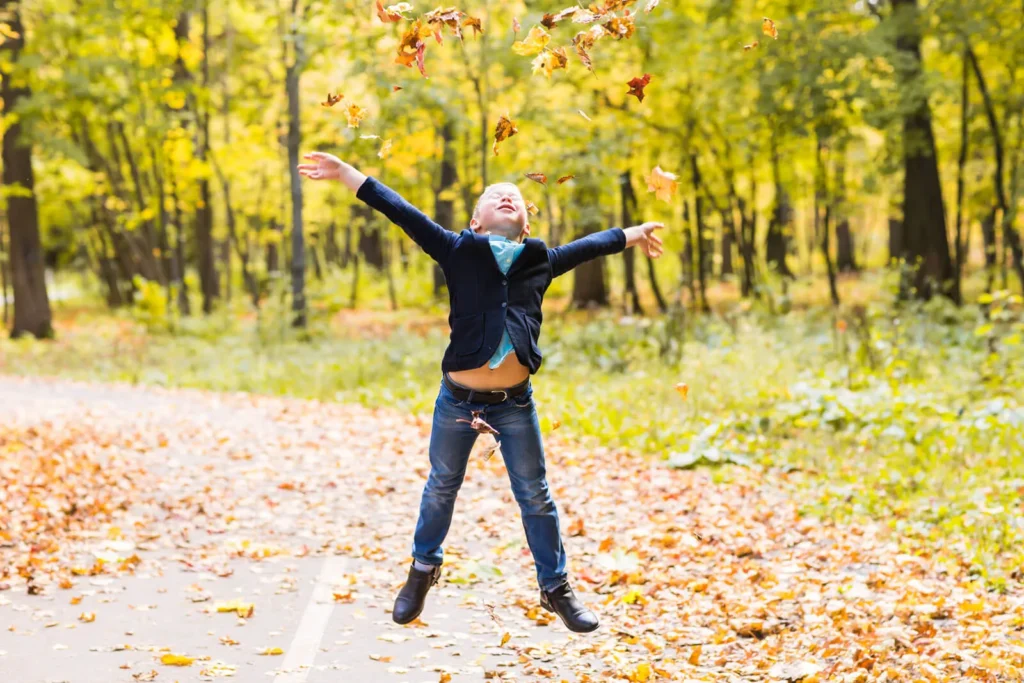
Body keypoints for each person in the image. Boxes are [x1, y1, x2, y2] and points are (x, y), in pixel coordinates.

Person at [298, 151, 664, 632]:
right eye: (495, 196)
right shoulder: (456, 250)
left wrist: (631, 234)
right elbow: (399, 209)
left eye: (515, 197)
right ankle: (422, 569)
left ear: (526, 226)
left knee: (535, 494)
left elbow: (589, 246)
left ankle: (556, 588)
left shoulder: (539, 261)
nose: (507, 195)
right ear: (475, 221)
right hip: (458, 401)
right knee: (441, 486)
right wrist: (347, 174)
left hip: (515, 405)